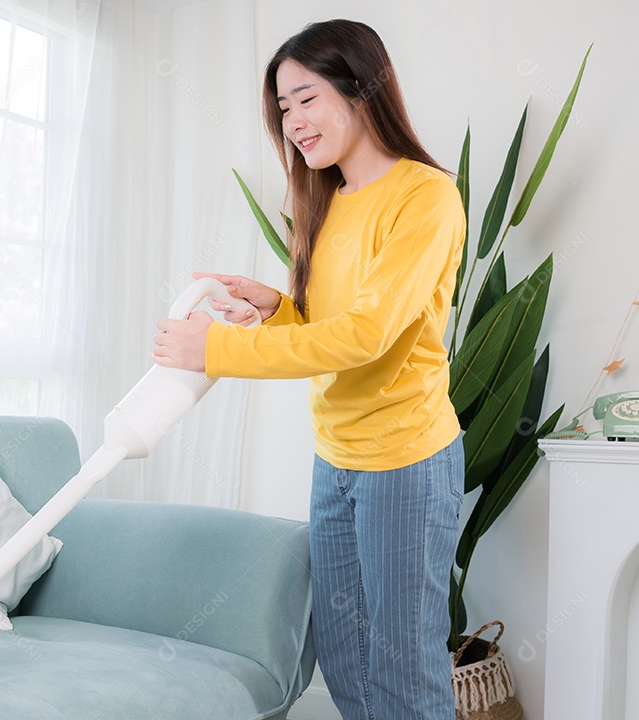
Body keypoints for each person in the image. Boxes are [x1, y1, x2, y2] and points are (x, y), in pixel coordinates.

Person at [151, 19, 465, 720]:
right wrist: (279, 308)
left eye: (305, 97)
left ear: (361, 88)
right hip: (337, 457)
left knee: (405, 668)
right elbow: (329, 326)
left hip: (406, 460)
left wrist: (217, 350)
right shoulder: (323, 201)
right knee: (346, 659)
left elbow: (368, 336)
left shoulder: (425, 196)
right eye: (282, 108)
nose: (292, 121)